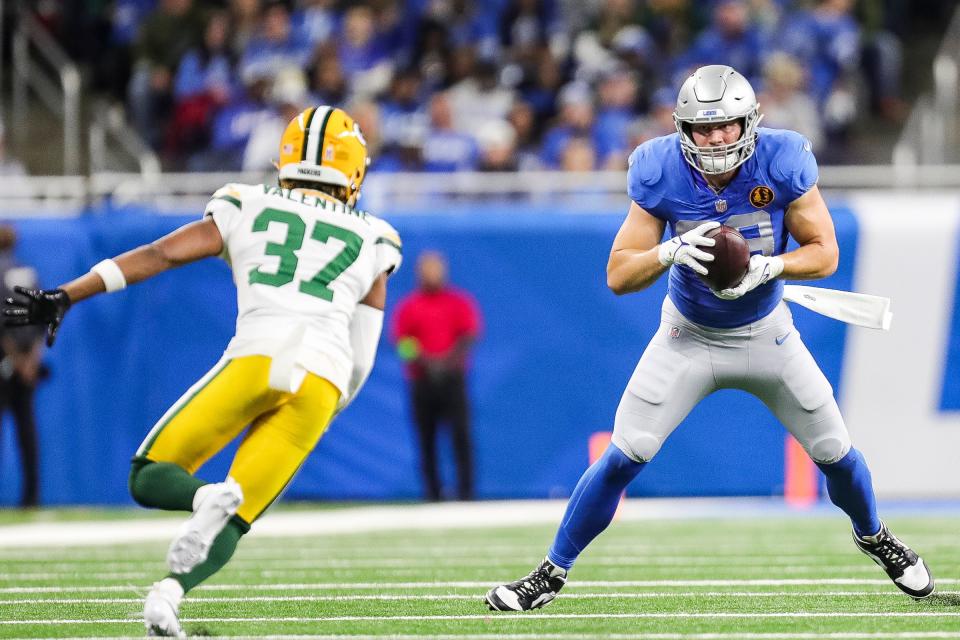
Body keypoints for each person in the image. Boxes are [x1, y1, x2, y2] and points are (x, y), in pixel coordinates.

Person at [485, 65, 934, 612]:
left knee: (835, 452)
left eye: (728, 125)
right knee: (626, 454)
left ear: (750, 122)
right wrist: (668, 252)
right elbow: (619, 275)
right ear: (683, 129)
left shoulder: (783, 158)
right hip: (687, 335)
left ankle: (874, 535)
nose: (718, 137)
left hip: (768, 333)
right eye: (705, 127)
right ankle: (549, 574)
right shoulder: (659, 170)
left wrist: (771, 267)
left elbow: (826, 253)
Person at [4, 105, 402, 637]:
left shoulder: (248, 201)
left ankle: (200, 502)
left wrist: (66, 295)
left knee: (149, 475)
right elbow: (363, 354)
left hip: (258, 355)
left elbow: (161, 254)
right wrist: (331, 399)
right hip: (323, 379)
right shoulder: (377, 237)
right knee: (238, 517)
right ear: (354, 169)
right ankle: (169, 596)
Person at [391, 251, 481, 502]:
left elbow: (469, 335)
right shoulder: (409, 306)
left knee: (460, 436)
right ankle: (432, 493)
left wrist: (448, 362)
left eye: (436, 269)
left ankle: (466, 492)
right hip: (422, 380)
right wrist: (426, 362)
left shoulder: (458, 302)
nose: (432, 275)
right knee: (426, 438)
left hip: (453, 379)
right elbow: (402, 343)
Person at [0, 226, 44, 507]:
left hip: (5, 362)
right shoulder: (28, 272)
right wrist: (31, 361)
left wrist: (15, 358)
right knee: (26, 431)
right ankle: (31, 496)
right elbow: (43, 317)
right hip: (27, 364)